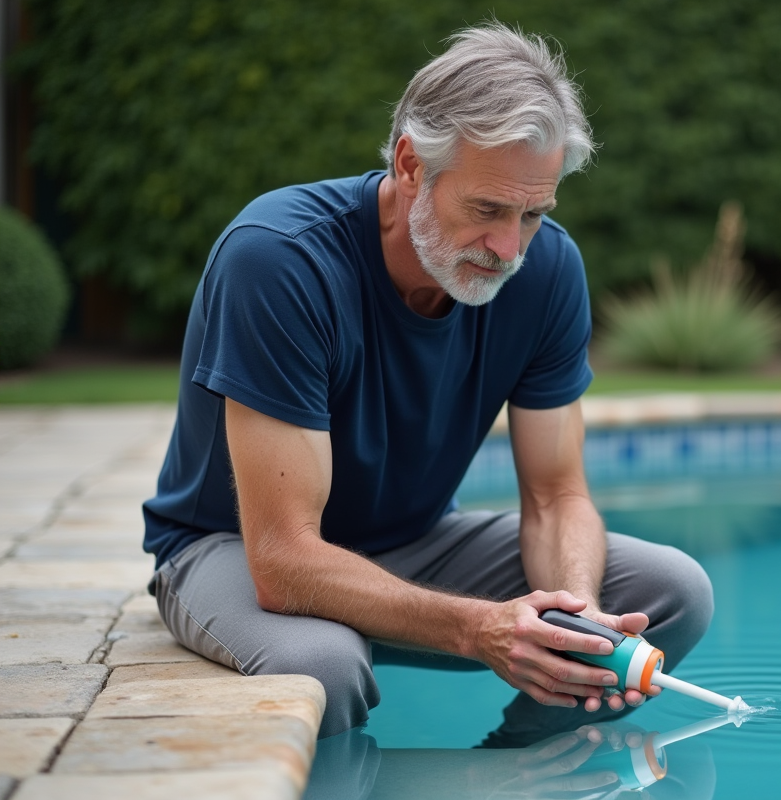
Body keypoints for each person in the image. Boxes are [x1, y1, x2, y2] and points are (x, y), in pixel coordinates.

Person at [142, 22, 714, 742]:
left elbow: (556, 496)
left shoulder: (548, 272)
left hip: (415, 542)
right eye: (486, 210)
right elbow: (283, 561)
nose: (509, 248)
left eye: (533, 214)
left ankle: (520, 773)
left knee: (673, 591)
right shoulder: (280, 260)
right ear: (411, 164)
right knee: (325, 664)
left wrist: (575, 618)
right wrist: (481, 630)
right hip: (234, 548)